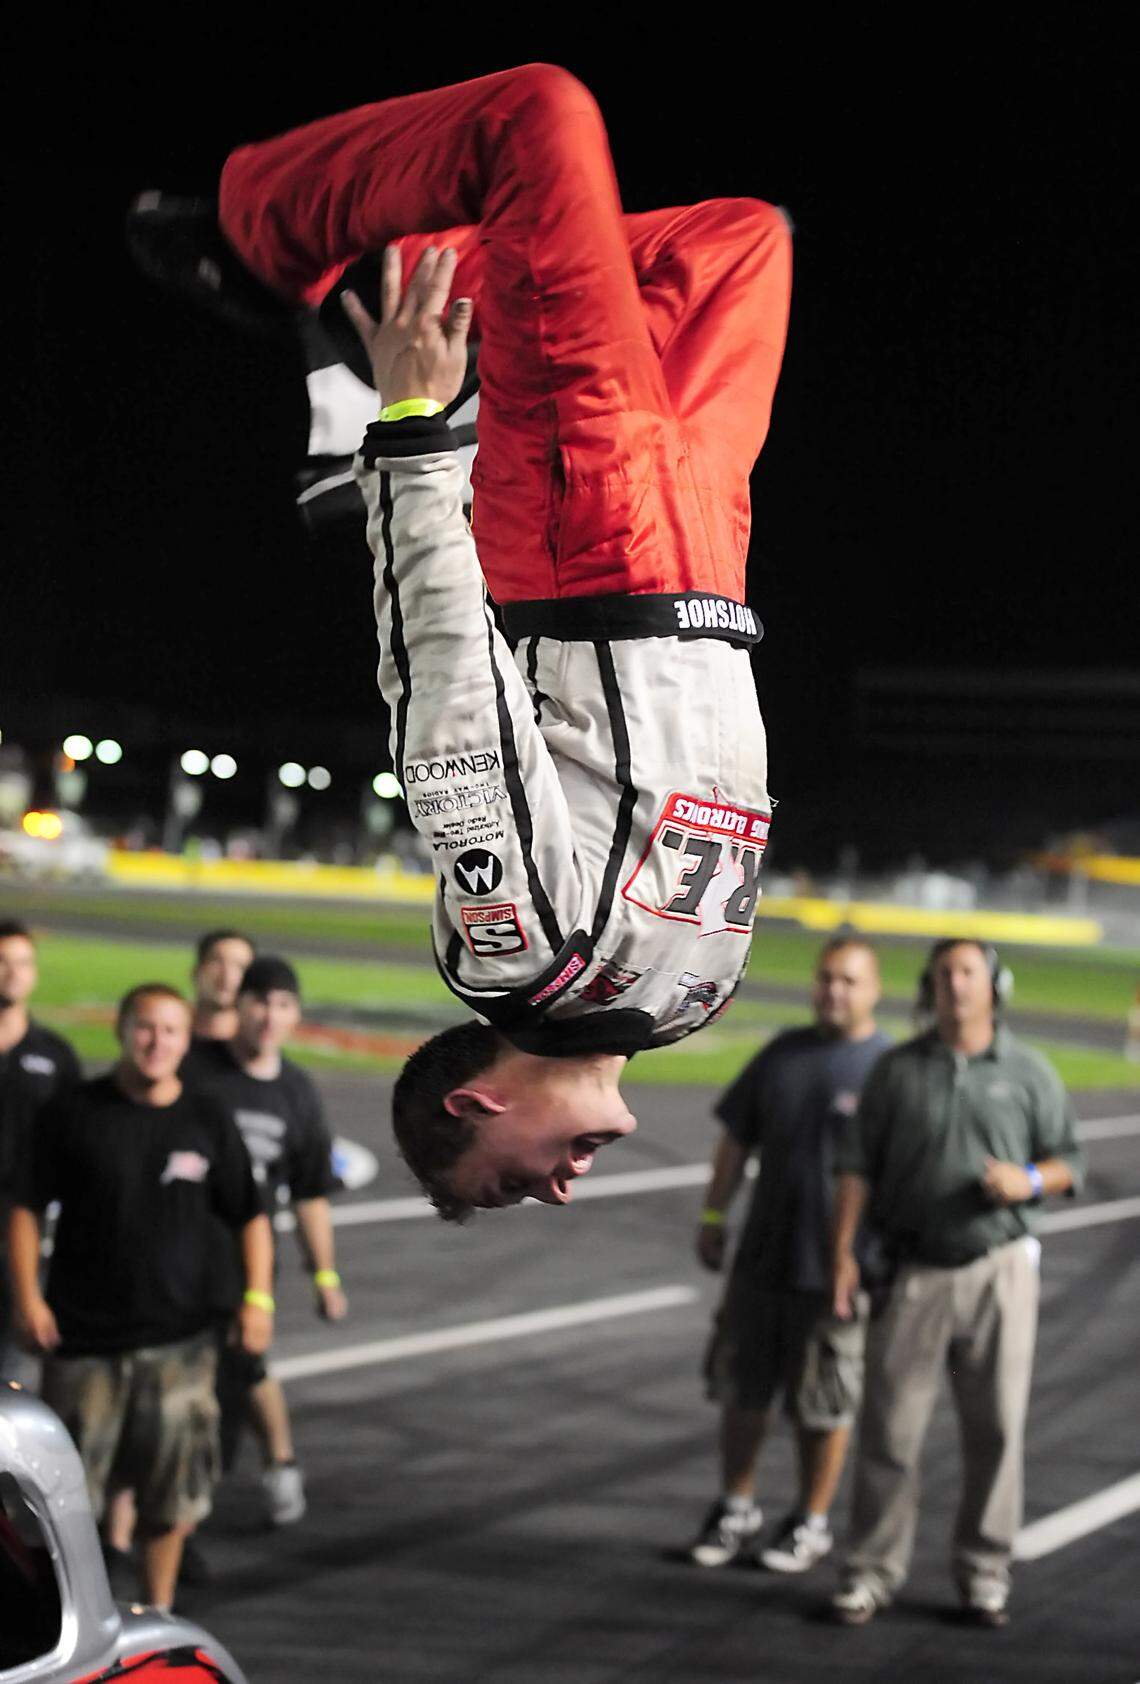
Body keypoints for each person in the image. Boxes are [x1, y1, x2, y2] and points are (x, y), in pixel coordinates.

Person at [128, 63, 792, 1221]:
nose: (563, 1190)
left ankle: (263, 233)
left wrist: (409, 432)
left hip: (589, 541)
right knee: (744, 241)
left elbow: (447, 687)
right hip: (710, 555)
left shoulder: (511, 958)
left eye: (513, 1183)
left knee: (537, 118)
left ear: (473, 1108)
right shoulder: (693, 1006)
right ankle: (367, 292)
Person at [829, 939, 1084, 1628]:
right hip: (913, 1272)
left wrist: (1027, 1180)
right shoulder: (896, 1070)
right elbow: (856, 1165)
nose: (955, 985)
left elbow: (1067, 1162)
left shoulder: (1029, 1071)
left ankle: (984, 1574)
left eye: (968, 972)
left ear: (995, 984)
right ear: (928, 987)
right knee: (890, 1432)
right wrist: (845, 1252)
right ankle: (870, 1572)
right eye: (943, 975)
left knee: (996, 1431)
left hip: (998, 1269)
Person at [7, 983, 272, 1611]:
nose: (157, 1042)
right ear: (121, 1030)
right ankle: (62, 1630)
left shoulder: (208, 1118)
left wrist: (257, 1299)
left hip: (181, 1346)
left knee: (169, 1499)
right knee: (63, 1508)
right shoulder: (73, 1111)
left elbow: (249, 1215)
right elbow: (23, 1207)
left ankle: (157, 1616)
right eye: (145, 1028)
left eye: (171, 1031)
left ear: (187, 1039)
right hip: (81, 1344)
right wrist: (27, 1299)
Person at [685, 937, 890, 1572]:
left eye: (850, 982)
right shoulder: (782, 1054)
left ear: (875, 990)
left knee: (822, 1404)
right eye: (827, 978)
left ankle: (810, 1519)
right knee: (742, 1392)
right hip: (763, 1258)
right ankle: (736, 1506)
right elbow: (735, 1139)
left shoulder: (889, 1068)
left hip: (836, 1271)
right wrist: (715, 1214)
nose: (834, 991)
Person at [183, 955, 346, 1525]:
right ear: (240, 1008)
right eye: (259, 1002)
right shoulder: (194, 1069)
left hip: (245, 1261)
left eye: (282, 1005)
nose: (269, 1017)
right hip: (174, 1249)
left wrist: (324, 1275)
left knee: (241, 1367)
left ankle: (270, 1467)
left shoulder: (297, 1093)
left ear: (295, 1015)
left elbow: (309, 1192)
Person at [0, 920, 81, 1379]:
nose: (13, 973)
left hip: (29, 1241)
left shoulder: (56, 1054)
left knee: (17, 1380)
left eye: (24, 963)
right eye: (3, 962)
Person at [190, 927, 256, 1046]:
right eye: (217, 962)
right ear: (196, 972)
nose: (227, 976)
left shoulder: (257, 1055)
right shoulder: (164, 1047)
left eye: (240, 967)